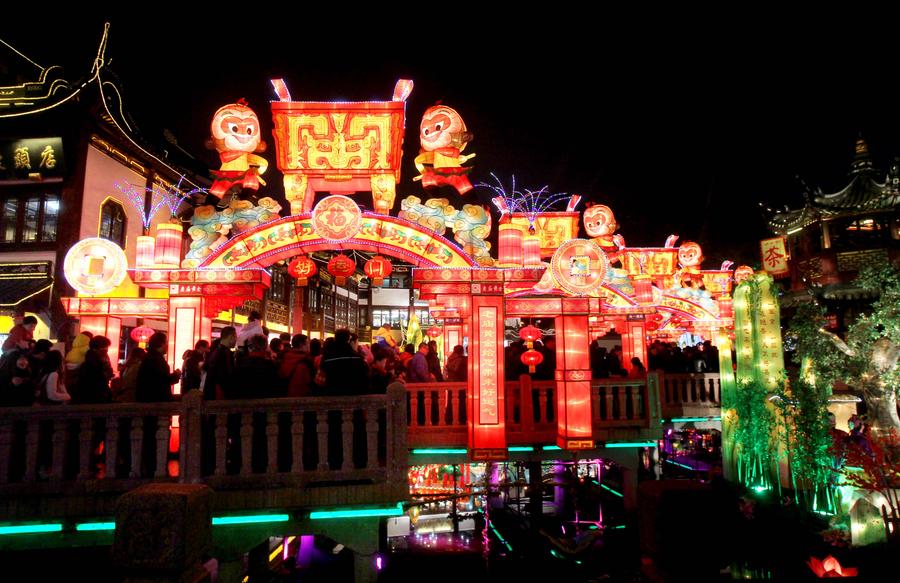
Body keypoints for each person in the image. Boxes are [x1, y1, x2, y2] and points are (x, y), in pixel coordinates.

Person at [320, 328, 369, 395]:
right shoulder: (358, 358)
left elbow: (320, 381)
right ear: (349, 339)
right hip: (354, 396)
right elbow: (365, 380)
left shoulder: (327, 358)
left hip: (332, 396)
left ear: (335, 339)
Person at [136, 332, 181, 402]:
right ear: (162, 344)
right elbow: (162, 380)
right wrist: (176, 375)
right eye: (166, 342)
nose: (167, 345)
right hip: (155, 400)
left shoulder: (150, 357)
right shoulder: (156, 359)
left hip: (148, 398)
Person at [74, 336, 113, 404]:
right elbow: (98, 382)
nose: (106, 350)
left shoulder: (99, 361)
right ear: (95, 349)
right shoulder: (91, 365)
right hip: (92, 400)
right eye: (104, 347)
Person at [204, 326, 236, 400]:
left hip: (211, 393)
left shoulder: (215, 351)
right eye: (235, 337)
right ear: (231, 336)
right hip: (219, 395)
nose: (236, 340)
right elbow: (227, 376)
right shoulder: (226, 353)